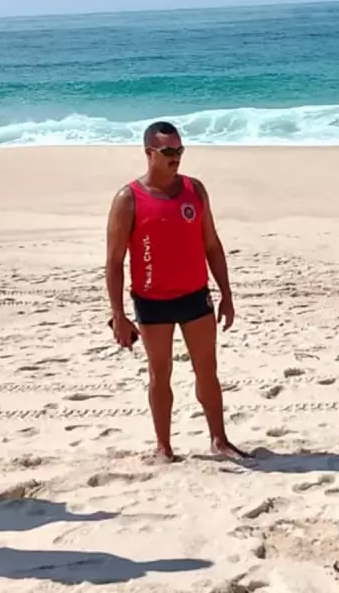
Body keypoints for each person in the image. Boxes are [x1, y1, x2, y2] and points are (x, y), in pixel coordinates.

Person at [105, 120, 250, 463]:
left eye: (180, 150)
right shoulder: (129, 198)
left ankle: (219, 440)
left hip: (195, 297)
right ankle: (163, 448)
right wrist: (118, 315)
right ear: (149, 153)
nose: (176, 157)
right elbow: (113, 262)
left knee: (207, 370)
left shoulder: (194, 190)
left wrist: (226, 293)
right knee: (160, 373)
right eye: (168, 151)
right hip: (152, 301)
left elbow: (212, 244)